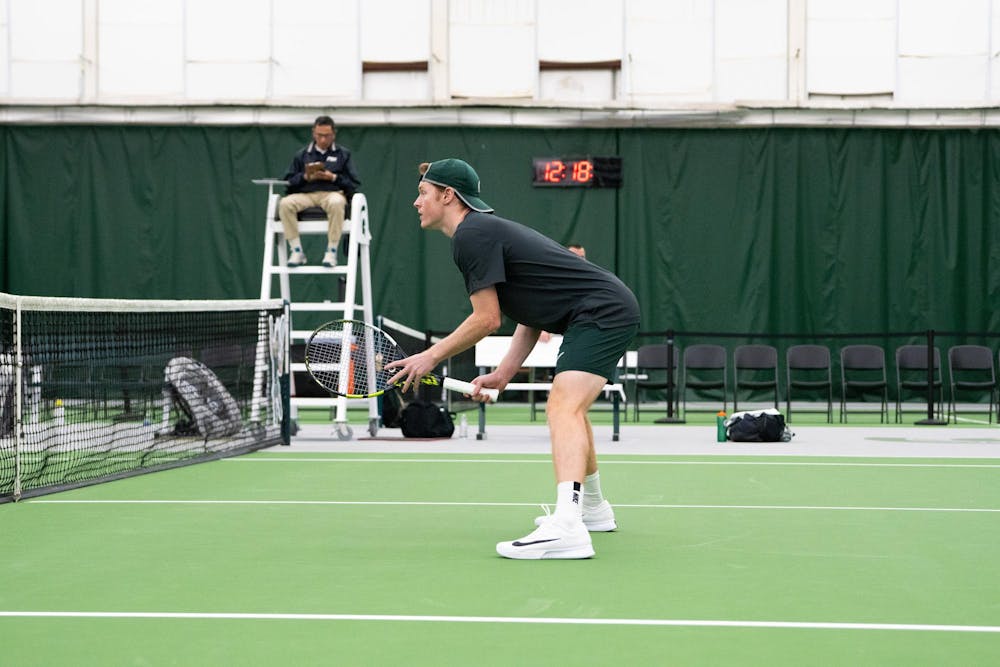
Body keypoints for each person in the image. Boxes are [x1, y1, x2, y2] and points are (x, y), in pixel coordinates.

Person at [385, 158, 640, 560]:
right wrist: (504, 373)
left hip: (600, 312)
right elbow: (528, 311)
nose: (416, 202)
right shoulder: (483, 233)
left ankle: (568, 526)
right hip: (600, 309)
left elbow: (487, 318)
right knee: (572, 409)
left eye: (423, 192)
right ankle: (592, 509)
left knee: (563, 407)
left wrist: (430, 356)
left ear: (447, 195)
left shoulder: (472, 235)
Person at [279, 115, 361, 267]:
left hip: (332, 194)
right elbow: (288, 182)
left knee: (336, 202)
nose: (323, 140)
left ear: (334, 134)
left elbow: (353, 183)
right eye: (319, 135)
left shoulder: (343, 154)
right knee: (285, 204)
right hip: (306, 195)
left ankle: (331, 251)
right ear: (313, 133)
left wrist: (333, 177)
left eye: (327, 136)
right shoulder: (301, 155)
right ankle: (296, 251)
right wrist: (305, 177)